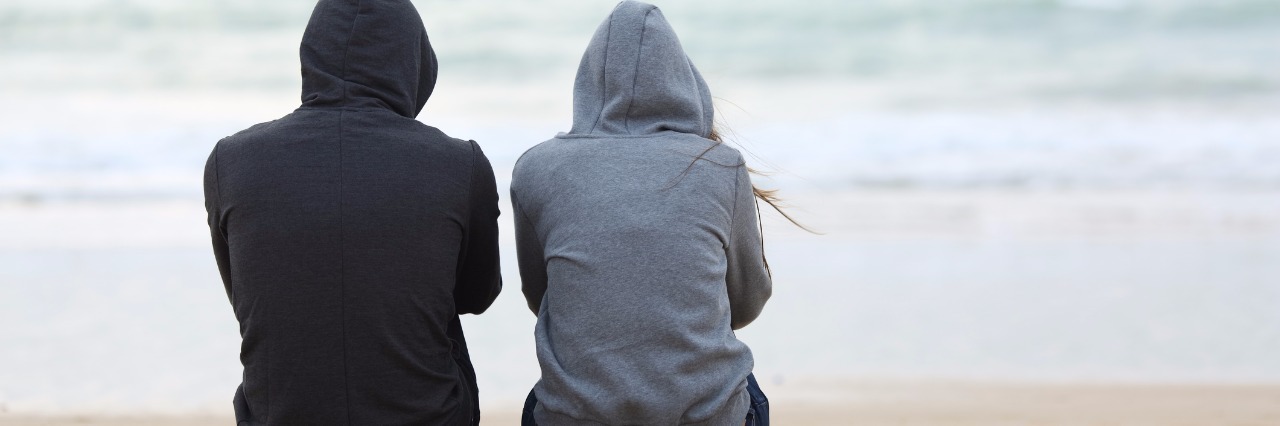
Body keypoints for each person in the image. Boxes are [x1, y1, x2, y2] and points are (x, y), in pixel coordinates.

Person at [201, 0, 501, 424]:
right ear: (414, 62)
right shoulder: (458, 164)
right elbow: (477, 295)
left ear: (312, 54)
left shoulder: (230, 161)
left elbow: (249, 296)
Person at [510, 1, 779, 424]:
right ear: (685, 83)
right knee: (748, 390)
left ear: (588, 83)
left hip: (577, 417)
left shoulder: (536, 168)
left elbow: (542, 297)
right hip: (703, 416)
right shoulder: (720, 165)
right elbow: (746, 304)